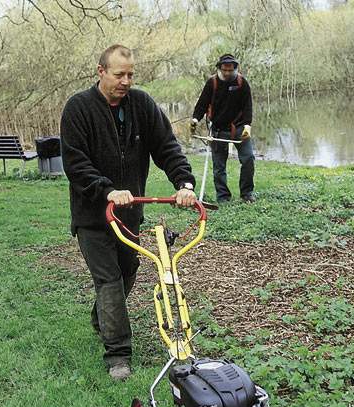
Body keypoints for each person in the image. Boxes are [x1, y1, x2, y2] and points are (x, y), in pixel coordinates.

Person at [61, 45, 197, 381]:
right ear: (101, 71)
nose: (126, 81)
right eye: (119, 74)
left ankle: (103, 319)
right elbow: (76, 164)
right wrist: (106, 189)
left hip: (130, 214)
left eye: (131, 74)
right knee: (108, 279)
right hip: (93, 215)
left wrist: (185, 183)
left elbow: (166, 147)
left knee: (128, 272)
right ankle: (118, 355)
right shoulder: (78, 108)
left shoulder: (142, 105)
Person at [190, 53, 256, 203]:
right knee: (219, 166)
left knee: (248, 159)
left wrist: (247, 126)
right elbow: (202, 104)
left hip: (239, 128)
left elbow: (247, 106)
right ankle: (223, 197)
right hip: (218, 129)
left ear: (235, 69)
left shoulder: (241, 83)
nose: (227, 73)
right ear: (219, 68)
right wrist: (195, 119)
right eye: (224, 70)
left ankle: (247, 193)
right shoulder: (212, 83)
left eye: (230, 70)